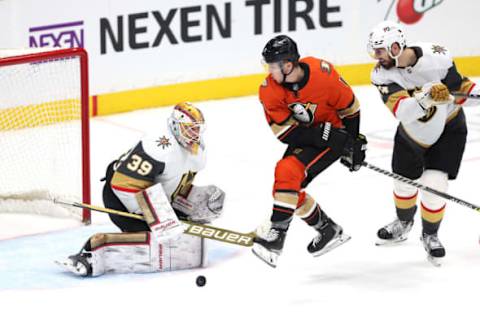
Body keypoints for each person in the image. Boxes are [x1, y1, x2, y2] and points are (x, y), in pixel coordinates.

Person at [57, 102, 226, 276]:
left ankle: (164, 226)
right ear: (175, 126)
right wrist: (161, 219)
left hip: (152, 194)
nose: (194, 135)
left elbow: (177, 183)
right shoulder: (159, 146)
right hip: (120, 199)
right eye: (189, 129)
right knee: (163, 237)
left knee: (206, 203)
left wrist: (189, 205)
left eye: (196, 129)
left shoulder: (197, 149)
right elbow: (123, 183)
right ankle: (91, 253)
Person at [367, 20, 478, 264]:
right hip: (413, 133)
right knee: (404, 184)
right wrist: (427, 98)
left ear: (395, 47)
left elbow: (460, 89)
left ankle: (430, 235)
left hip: (449, 128)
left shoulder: (437, 57)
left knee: (435, 185)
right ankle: (404, 222)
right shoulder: (380, 75)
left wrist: (474, 94)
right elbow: (403, 111)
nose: (376, 56)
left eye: (380, 50)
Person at [252, 35, 368, 267]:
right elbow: (285, 134)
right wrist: (318, 134)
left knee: (287, 172)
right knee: (285, 189)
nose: (269, 72)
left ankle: (276, 237)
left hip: (335, 136)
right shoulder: (269, 90)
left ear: (288, 65)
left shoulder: (323, 74)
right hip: (308, 135)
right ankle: (328, 230)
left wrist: (352, 142)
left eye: (273, 66)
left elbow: (350, 108)